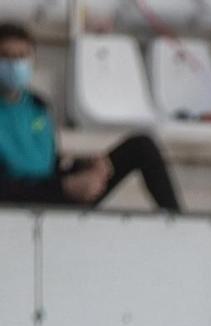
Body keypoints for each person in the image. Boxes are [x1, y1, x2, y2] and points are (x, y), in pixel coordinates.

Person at [0, 23, 180, 212]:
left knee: (141, 147)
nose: (14, 65)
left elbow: (49, 164)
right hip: (20, 199)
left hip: (53, 190)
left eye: (21, 56)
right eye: (6, 56)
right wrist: (65, 187)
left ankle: (178, 225)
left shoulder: (38, 106)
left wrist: (83, 164)